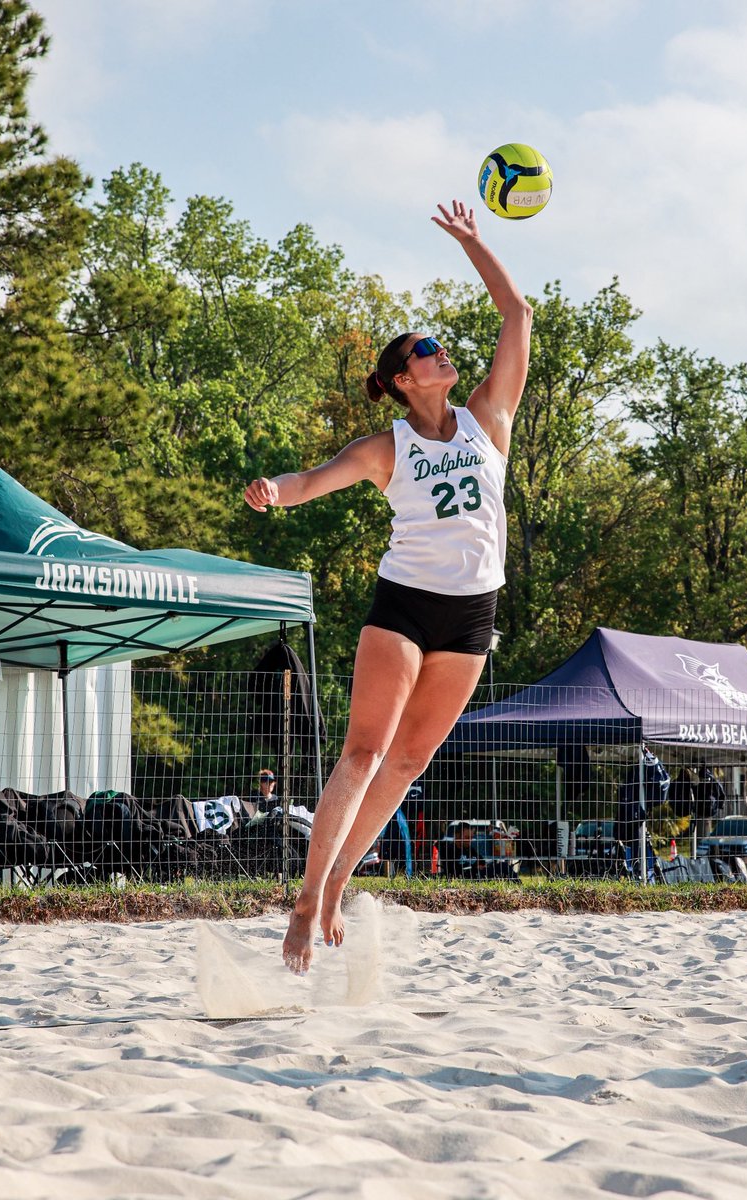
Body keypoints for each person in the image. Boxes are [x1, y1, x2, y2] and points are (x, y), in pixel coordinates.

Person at [244, 200, 532, 973]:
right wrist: (275, 487)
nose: (445, 355)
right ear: (405, 379)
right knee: (365, 752)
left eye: (441, 347)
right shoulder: (387, 445)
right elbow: (312, 480)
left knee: (408, 764)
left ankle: (337, 882)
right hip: (405, 606)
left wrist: (476, 243)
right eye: (428, 351)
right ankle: (306, 901)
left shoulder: (487, 420)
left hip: (473, 614)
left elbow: (518, 312)